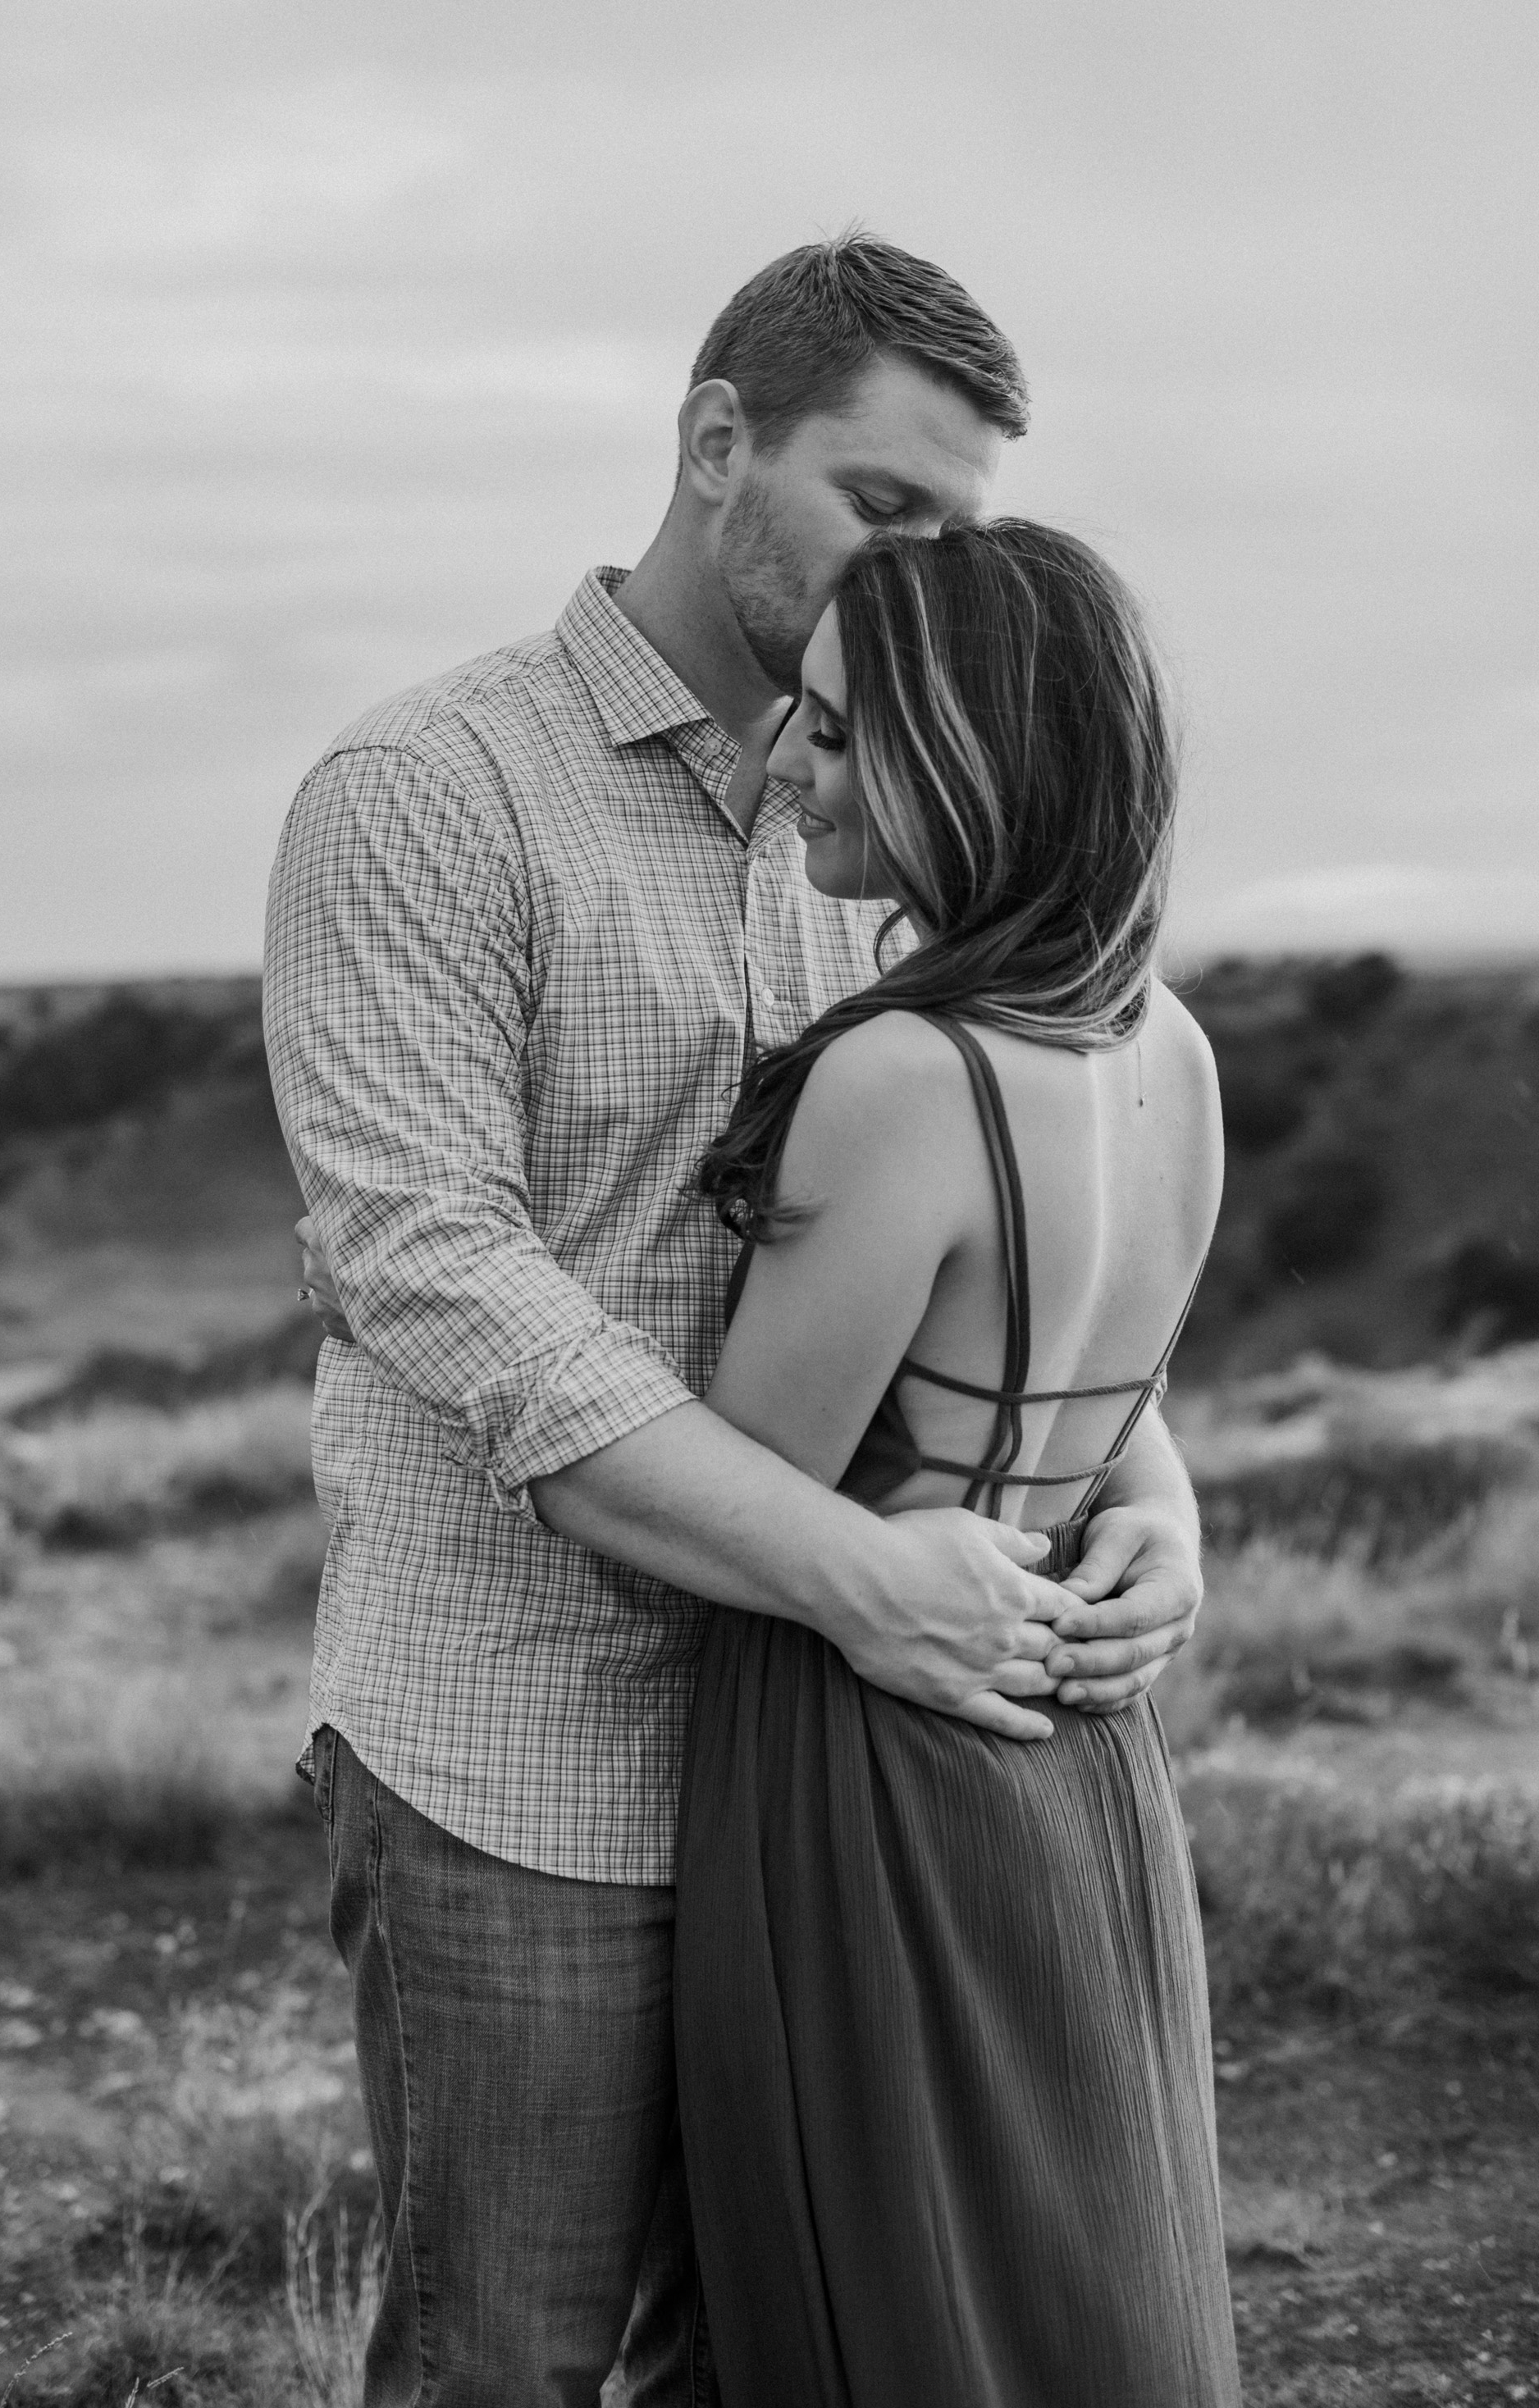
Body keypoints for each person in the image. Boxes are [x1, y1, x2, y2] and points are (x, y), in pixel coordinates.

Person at [266, 235, 1208, 2406]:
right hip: (539, 1763)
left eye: (965, 534)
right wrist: (859, 1577)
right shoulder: (426, 789)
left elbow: (1022, 1157)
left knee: (789, 2361)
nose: (931, 574)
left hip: (846, 1783)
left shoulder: (909, 789)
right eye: (891, 511)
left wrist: (1138, 1476)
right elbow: (439, 1268)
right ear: (717, 447)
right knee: (510, 2364)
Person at [677, 521, 1238, 2406]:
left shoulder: (903, 1075)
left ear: (963, 752)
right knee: (1082, 2281)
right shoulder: (1172, 1047)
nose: (786, 770)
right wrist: (1161, 1512)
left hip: (872, 1746)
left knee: (893, 2310)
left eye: (834, 734)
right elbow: (1082, 1382)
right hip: (1083, 1751)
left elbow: (747, 1481)